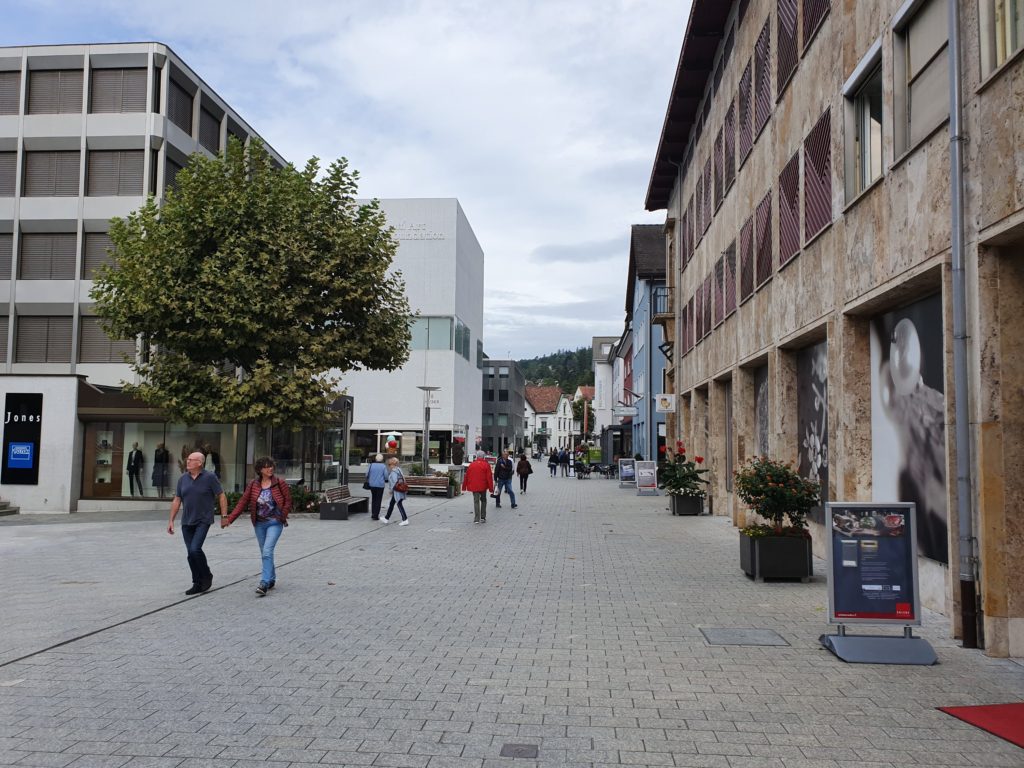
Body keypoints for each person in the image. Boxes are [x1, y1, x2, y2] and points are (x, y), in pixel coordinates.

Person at [221, 457, 292, 596]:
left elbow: (288, 501)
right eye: (266, 467)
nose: (270, 468)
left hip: (275, 522)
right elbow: (243, 502)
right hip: (259, 524)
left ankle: (264, 583)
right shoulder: (253, 485)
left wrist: (282, 516)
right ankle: (271, 578)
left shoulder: (280, 483)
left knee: (267, 551)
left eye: (271, 466)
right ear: (260, 470)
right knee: (265, 552)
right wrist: (229, 519)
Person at [167, 451, 227, 595]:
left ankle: (206, 576)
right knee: (190, 554)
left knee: (195, 549)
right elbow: (177, 499)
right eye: (187, 460)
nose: (187, 462)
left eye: (190, 460)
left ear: (199, 463)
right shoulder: (183, 479)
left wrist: (224, 515)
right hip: (187, 521)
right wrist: (171, 520)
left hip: (203, 520)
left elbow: (221, 495)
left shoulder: (210, 477)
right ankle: (197, 582)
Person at [462, 450, 495, 523]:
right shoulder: (486, 465)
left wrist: (464, 487)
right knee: (483, 500)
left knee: (476, 501)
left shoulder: (472, 465)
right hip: (483, 486)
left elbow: (466, 476)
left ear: (477, 456)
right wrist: (491, 489)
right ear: (483, 457)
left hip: (474, 486)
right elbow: (489, 477)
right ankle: (483, 517)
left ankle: (476, 518)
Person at [381, 456, 409, 525]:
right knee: (391, 504)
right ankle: (386, 518)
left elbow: (394, 482)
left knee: (399, 504)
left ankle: (405, 519)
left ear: (393, 464)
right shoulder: (399, 470)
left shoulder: (394, 472)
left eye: (389, 464)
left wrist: (391, 490)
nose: (389, 466)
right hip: (400, 490)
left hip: (397, 491)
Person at [366, 453, 388, 520]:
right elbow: (386, 476)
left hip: (372, 484)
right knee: (378, 500)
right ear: (382, 459)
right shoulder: (383, 466)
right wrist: (385, 480)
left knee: (374, 499)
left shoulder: (371, 465)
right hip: (380, 485)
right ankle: (376, 515)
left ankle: (373, 514)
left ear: (375, 459)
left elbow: (366, 474)